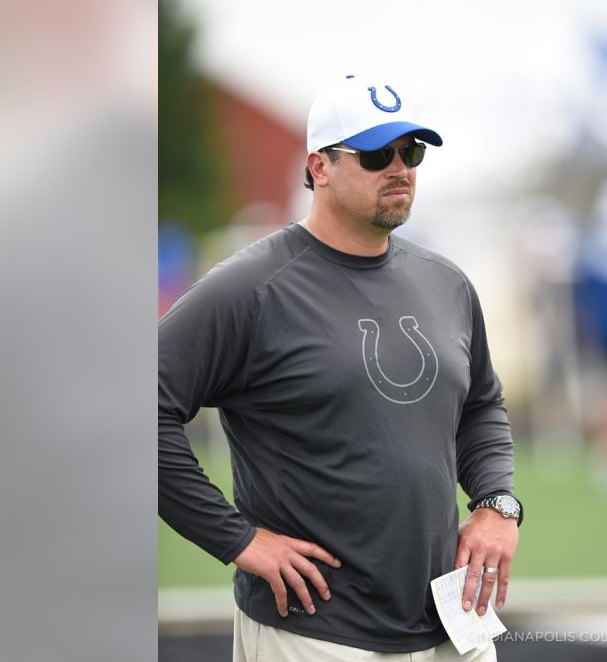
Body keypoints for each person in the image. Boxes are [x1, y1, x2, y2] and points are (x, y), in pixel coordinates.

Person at [159, 74, 523, 660]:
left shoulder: (447, 283)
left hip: (453, 620)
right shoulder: (251, 288)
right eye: (377, 154)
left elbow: (481, 404)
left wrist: (497, 505)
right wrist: (238, 540)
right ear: (319, 167)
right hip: (316, 629)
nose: (400, 169)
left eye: (411, 152)